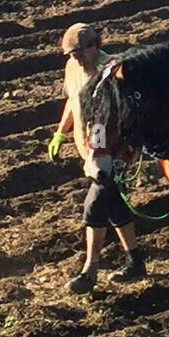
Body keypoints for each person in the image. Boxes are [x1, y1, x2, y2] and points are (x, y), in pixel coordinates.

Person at [49, 22, 146, 293]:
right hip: (91, 153)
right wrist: (60, 133)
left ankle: (89, 271)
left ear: (94, 47)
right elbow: (73, 101)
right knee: (114, 206)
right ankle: (136, 262)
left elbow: (128, 118)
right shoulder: (73, 69)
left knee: (94, 205)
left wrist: (122, 153)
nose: (75, 59)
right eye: (71, 55)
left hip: (115, 153)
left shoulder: (112, 72)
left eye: (79, 53)